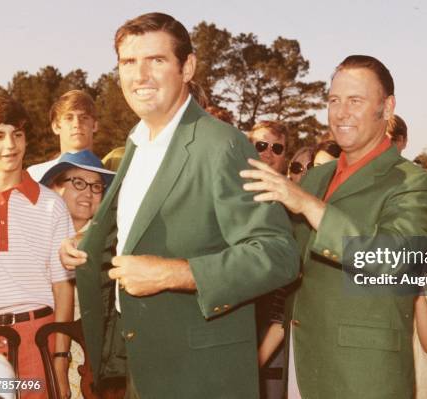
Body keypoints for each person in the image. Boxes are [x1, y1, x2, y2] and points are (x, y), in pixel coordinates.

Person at [59, 12, 299, 398]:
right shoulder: (138, 143)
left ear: (187, 67)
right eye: (129, 62)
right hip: (142, 364)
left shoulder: (221, 145)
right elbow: (143, 226)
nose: (140, 76)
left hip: (200, 377)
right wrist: (87, 242)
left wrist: (175, 274)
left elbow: (278, 253)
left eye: (156, 60)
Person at [241, 54, 427, 398]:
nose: (341, 112)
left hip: (362, 377)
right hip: (299, 364)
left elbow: (392, 260)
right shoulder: (315, 178)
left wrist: (306, 204)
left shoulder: (414, 183)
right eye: (334, 100)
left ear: (387, 107)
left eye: (355, 100)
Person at [0, 95, 74, 399]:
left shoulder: (51, 205)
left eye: (17, 135)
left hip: (39, 342)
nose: (11, 145)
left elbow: (63, 288)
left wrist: (59, 362)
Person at [40, 150, 115, 399]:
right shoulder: (35, 236)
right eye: (79, 183)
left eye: (96, 186)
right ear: (55, 186)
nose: (88, 193)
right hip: (38, 348)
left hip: (89, 363)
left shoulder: (110, 241)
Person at [27, 90, 98, 181]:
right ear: (56, 127)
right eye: (69, 118)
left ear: (95, 125)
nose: (77, 124)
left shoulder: (111, 174)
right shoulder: (36, 175)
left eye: (84, 117)